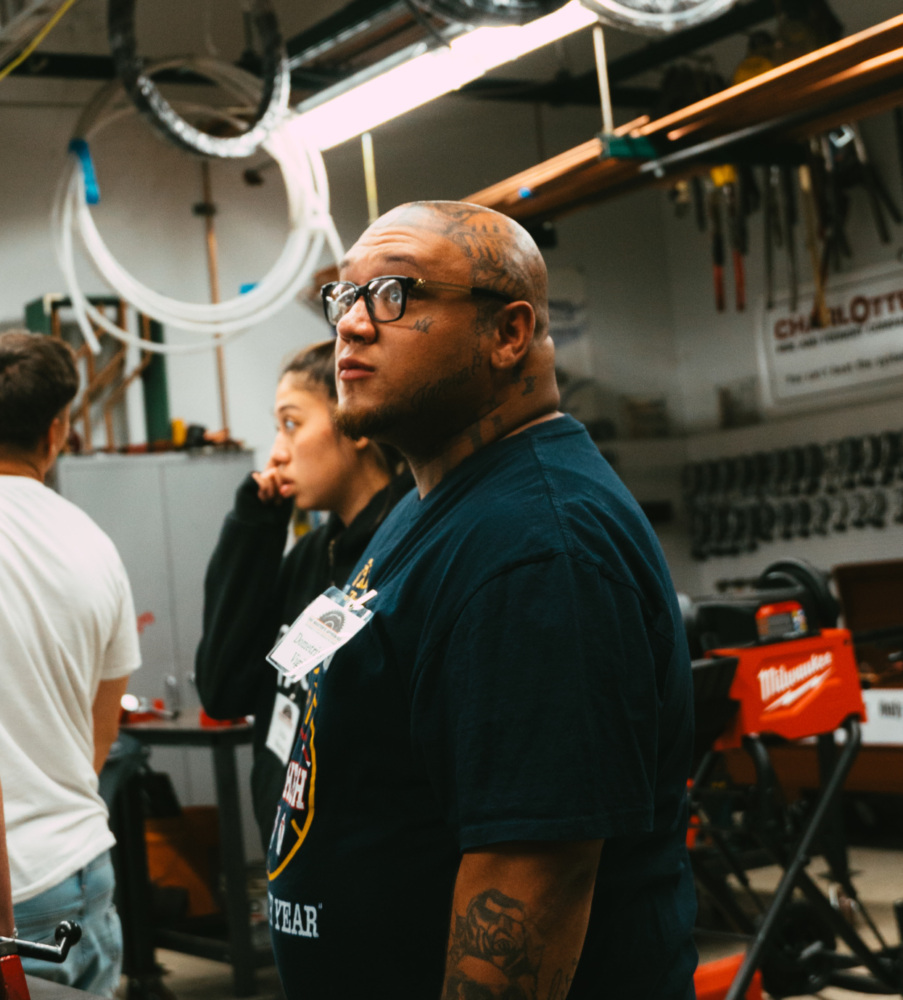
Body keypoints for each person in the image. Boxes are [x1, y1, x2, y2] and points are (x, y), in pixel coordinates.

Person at [266, 201, 698, 999]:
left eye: (395, 295)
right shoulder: (431, 504)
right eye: (344, 299)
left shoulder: (536, 547)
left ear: (507, 334)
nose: (352, 327)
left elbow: (533, 881)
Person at [195, 340, 411, 851]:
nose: (276, 451)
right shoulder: (314, 553)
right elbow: (223, 689)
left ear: (353, 422)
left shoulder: (407, 545)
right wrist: (255, 525)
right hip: (291, 868)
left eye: (291, 424)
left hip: (367, 865)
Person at [0, 331, 141, 997]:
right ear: (57, 430)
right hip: (83, 862)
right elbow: (101, 729)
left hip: (14, 890)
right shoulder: (95, 544)